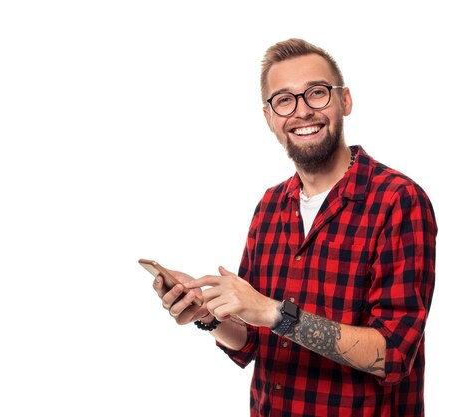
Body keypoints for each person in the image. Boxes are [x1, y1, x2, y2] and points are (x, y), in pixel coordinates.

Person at [152, 38, 437, 417]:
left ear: (345, 101)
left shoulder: (397, 200)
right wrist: (208, 314)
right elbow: (252, 341)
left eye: (316, 93)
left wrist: (274, 313)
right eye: (284, 100)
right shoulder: (271, 206)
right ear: (270, 118)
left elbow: (394, 354)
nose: (302, 111)